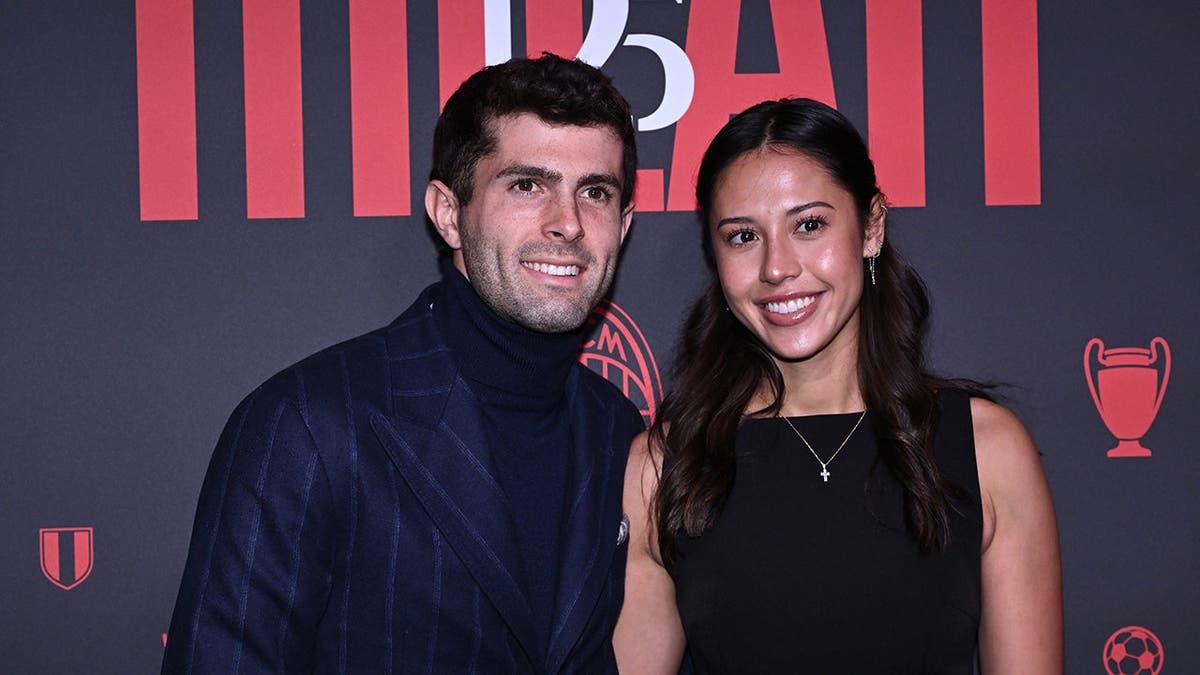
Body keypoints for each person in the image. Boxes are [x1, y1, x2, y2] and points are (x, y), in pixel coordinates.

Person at [161, 53, 644, 674]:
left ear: (624, 226)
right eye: (528, 185)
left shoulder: (620, 431)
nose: (569, 224)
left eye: (595, 193)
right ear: (448, 213)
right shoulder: (308, 422)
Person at [613, 98, 1062, 673]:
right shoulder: (661, 467)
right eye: (743, 236)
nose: (777, 267)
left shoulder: (987, 450)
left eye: (809, 225)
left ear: (871, 226)